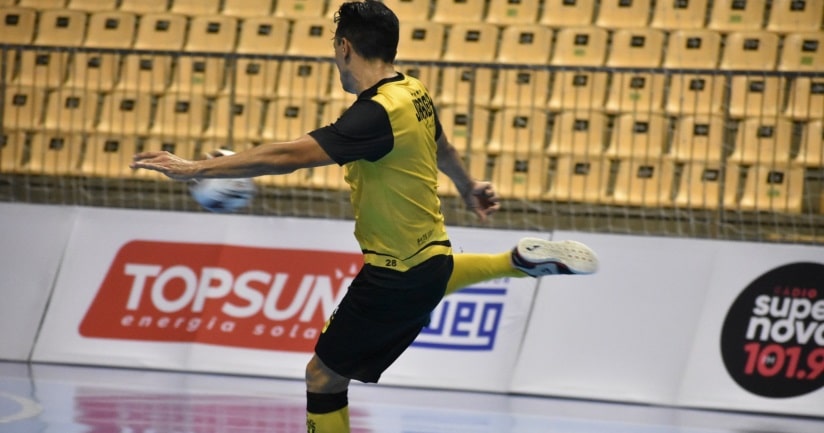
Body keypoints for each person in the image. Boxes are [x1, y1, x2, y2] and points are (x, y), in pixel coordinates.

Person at [131, 2, 598, 431]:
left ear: (345, 47)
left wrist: (194, 169)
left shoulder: (375, 115)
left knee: (322, 378)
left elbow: (285, 156)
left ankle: (514, 263)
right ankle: (515, 261)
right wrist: (468, 186)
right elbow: (442, 147)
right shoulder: (414, 91)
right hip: (429, 255)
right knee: (435, 275)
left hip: (392, 276)